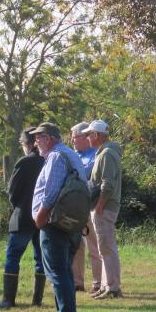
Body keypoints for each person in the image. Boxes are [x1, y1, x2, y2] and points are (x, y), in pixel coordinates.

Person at [30, 122, 85, 312]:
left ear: (50, 138)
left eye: (39, 138)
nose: (36, 143)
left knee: (57, 274)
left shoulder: (56, 157)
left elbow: (50, 192)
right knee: (65, 274)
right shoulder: (71, 155)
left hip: (55, 224)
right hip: (72, 224)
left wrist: (40, 218)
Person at [0, 128, 45, 309]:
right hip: (43, 217)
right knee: (41, 258)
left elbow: (12, 192)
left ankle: (8, 299)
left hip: (23, 217)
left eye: (23, 144)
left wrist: (18, 206)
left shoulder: (24, 162)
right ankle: (37, 300)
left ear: (28, 144)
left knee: (13, 257)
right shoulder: (48, 159)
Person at [83, 120, 124, 300]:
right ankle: (108, 286)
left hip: (104, 207)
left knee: (106, 247)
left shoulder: (107, 154)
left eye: (89, 134)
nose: (87, 138)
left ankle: (113, 288)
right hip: (103, 206)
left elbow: (108, 184)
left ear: (97, 135)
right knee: (104, 248)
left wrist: (99, 205)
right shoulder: (105, 152)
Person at [70, 122, 99, 293]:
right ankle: (77, 281)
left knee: (94, 245)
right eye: (72, 138)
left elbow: (87, 173)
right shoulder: (73, 154)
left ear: (85, 137)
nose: (72, 141)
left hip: (90, 205)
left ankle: (98, 282)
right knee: (76, 244)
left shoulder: (95, 154)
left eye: (75, 138)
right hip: (74, 206)